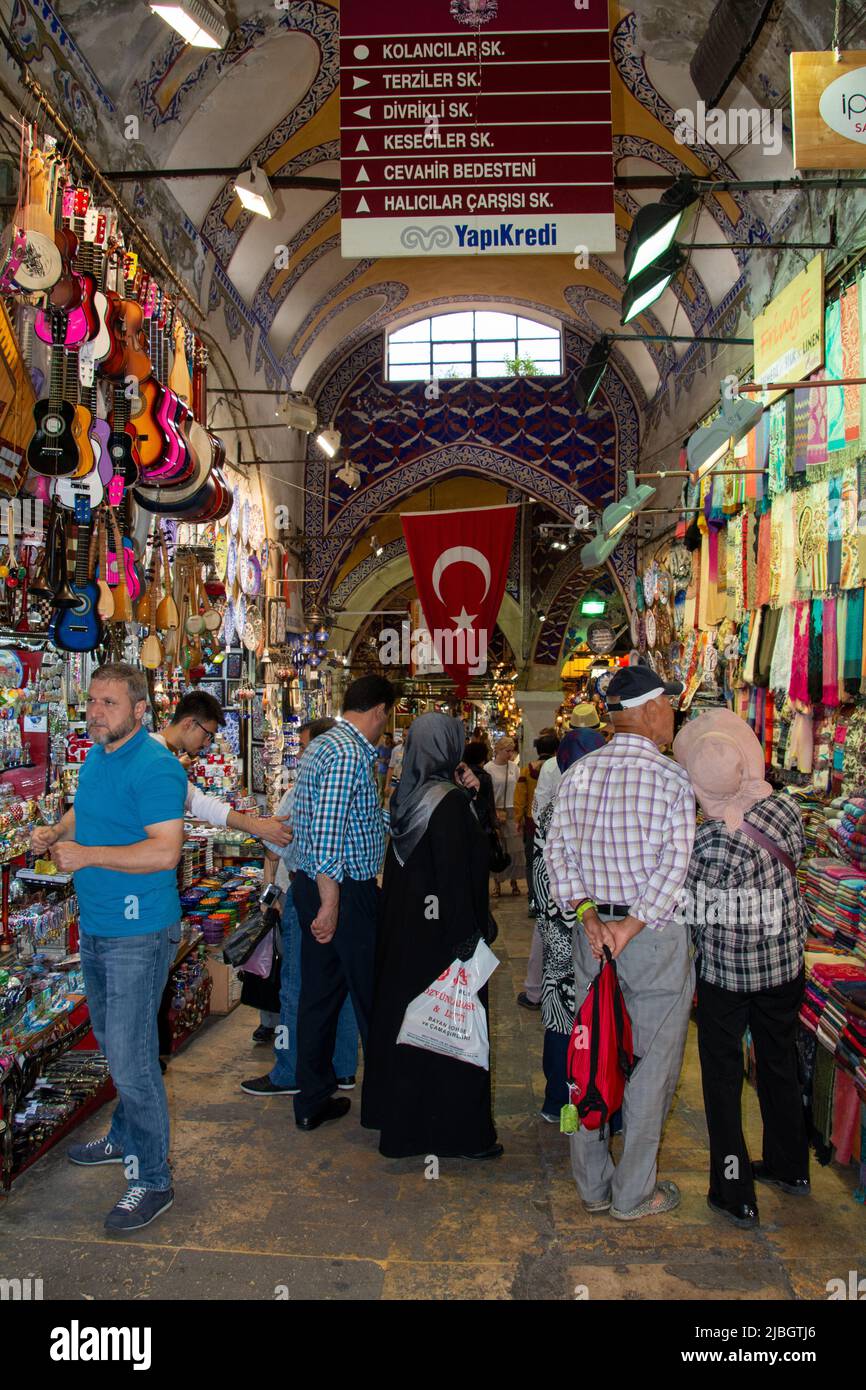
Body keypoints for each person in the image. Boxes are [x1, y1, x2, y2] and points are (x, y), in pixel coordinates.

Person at [30, 663, 188, 1233]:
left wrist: (89, 857)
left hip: (138, 930)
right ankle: (125, 1137)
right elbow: (88, 814)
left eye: (109, 703)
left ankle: (152, 1178)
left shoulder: (155, 767)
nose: (96, 711)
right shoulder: (99, 756)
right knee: (118, 1047)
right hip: (98, 926)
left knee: (131, 1058)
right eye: (93, 701)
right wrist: (58, 833)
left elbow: (165, 852)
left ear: (140, 710)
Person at [546, 665, 696, 1221]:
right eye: (670, 707)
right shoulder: (672, 780)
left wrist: (591, 920)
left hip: (594, 941)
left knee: (592, 1049)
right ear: (651, 709)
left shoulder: (577, 776)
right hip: (651, 939)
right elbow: (671, 869)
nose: (673, 717)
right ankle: (633, 1194)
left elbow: (556, 856)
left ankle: (592, 1186)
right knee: (650, 1064)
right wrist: (629, 927)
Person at [672, 710, 811, 1229]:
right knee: (778, 1063)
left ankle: (734, 1191)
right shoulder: (786, 812)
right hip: (784, 966)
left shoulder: (709, 842)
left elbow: (693, 909)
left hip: (728, 978)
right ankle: (790, 1165)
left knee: (724, 1081)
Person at [362, 713, 501, 1159]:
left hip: (406, 938)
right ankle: (455, 1133)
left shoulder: (406, 797)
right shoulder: (449, 804)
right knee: (449, 1034)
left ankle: (401, 1125)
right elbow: (457, 877)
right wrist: (468, 943)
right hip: (443, 942)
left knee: (409, 1030)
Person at [151, 689, 292, 1046]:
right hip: (143, 894)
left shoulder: (164, 759)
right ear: (188, 723)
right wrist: (257, 826)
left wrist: (256, 825)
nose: (208, 743)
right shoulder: (154, 758)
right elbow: (200, 805)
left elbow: (202, 804)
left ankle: (153, 1050)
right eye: (207, 734)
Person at [290, 675, 398, 1131]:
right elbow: (331, 832)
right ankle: (386, 1106)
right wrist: (330, 903)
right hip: (339, 889)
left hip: (316, 882)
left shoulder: (323, 745)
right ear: (378, 710)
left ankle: (312, 1099)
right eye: (387, 716)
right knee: (371, 994)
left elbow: (353, 819)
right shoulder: (350, 752)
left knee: (321, 994)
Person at [241, 717, 360, 1096]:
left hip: (306, 892)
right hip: (346, 892)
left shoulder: (303, 789)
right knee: (339, 983)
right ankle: (342, 1067)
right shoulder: (350, 783)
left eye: (307, 747)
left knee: (295, 985)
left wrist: (269, 895)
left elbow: (276, 846)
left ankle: (288, 1071)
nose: (302, 754)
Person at [532, 729, 611, 1121]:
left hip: (559, 925)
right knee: (598, 1013)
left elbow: (540, 875)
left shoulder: (552, 810)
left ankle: (558, 1100)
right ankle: (599, 1102)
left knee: (561, 1013)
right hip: (595, 926)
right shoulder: (609, 807)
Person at [514, 730, 559, 1012]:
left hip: (544, 835)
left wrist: (522, 816)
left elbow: (535, 804)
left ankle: (535, 990)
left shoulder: (535, 769)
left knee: (546, 922)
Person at [533, 704, 605, 825]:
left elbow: (539, 810)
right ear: (599, 732)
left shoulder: (551, 765)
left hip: (561, 836)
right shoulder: (609, 764)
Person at [485, 736, 524, 897]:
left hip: (512, 809)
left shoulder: (514, 768)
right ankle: (497, 883)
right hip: (496, 810)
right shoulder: (489, 768)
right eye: (507, 751)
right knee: (498, 846)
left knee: (514, 848)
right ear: (498, 750)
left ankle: (514, 881)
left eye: (512, 750)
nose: (510, 754)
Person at [462, 739, 496, 833]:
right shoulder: (485, 777)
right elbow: (490, 804)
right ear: (482, 758)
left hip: (464, 822)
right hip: (482, 824)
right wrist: (494, 825)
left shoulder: (461, 774)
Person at [383, 731, 404, 803]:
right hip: (395, 782)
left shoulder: (416, 749)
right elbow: (391, 768)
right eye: (404, 735)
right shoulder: (396, 749)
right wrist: (387, 785)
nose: (406, 737)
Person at [376, 732, 394, 803]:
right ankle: (380, 806)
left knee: (390, 790)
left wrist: (391, 760)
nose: (385, 739)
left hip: (391, 774)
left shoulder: (393, 748)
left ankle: (389, 805)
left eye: (387, 738)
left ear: (390, 739)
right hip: (381, 772)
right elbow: (375, 758)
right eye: (384, 738)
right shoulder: (379, 748)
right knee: (380, 790)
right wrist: (381, 760)